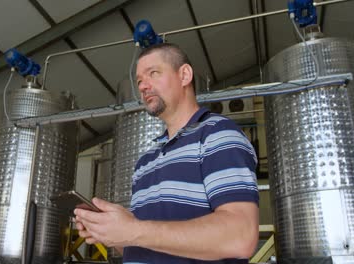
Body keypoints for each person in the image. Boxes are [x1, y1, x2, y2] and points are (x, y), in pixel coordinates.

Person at [74, 43, 259, 263]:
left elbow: (240, 238)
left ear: (184, 75)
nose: (143, 86)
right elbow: (146, 243)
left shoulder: (218, 135)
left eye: (153, 73)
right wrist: (113, 232)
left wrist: (134, 229)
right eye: (139, 81)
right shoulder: (145, 162)